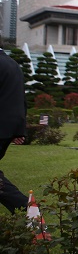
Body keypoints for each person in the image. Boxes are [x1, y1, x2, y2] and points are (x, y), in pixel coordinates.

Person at [0, 48, 29, 213]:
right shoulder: (13, 64)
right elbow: (20, 98)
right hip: (8, 128)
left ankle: (26, 208)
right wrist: (19, 129)